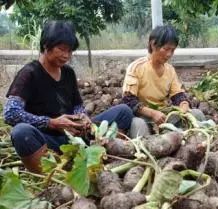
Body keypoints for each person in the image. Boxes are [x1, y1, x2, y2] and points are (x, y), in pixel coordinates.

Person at [3, 20, 133, 173]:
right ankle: (50, 175)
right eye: (62, 49)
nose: (66, 56)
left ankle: (106, 155)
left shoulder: (68, 73)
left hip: (76, 135)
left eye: (70, 51)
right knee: (21, 133)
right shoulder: (29, 73)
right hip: (49, 140)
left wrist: (82, 117)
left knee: (124, 111)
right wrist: (51, 123)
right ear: (46, 45)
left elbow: (77, 104)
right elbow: (10, 113)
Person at [122, 25, 205, 137]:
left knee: (197, 114)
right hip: (143, 116)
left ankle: (199, 143)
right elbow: (128, 101)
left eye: (173, 50)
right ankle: (147, 149)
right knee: (138, 124)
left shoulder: (170, 70)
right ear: (153, 44)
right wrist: (152, 113)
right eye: (166, 49)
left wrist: (184, 105)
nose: (169, 54)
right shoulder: (136, 68)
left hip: (164, 115)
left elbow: (178, 95)